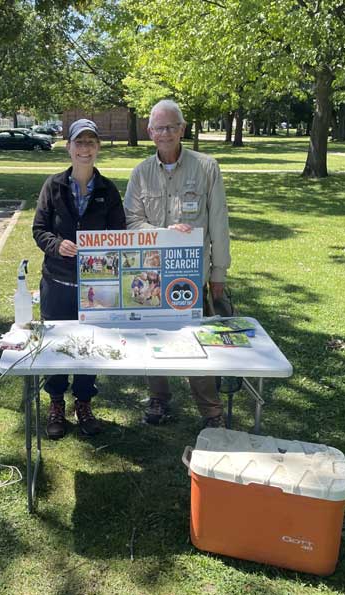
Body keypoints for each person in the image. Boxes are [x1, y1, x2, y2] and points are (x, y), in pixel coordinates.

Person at [124, 99, 232, 429]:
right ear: (149, 131)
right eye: (159, 128)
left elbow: (218, 223)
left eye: (172, 127)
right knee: (153, 339)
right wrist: (163, 233)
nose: (165, 133)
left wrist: (218, 274)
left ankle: (211, 412)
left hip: (192, 278)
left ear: (182, 129)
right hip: (152, 276)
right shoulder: (140, 173)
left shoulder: (206, 167)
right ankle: (159, 399)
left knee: (197, 344)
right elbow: (131, 222)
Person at [32, 118, 126, 439]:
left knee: (90, 348)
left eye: (90, 143)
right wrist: (57, 245)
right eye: (79, 142)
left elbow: (119, 235)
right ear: (69, 147)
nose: (84, 149)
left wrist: (100, 249)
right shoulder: (53, 186)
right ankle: (56, 403)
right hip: (57, 285)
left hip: (96, 287)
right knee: (57, 347)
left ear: (97, 148)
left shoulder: (108, 190)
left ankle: (83, 403)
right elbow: (39, 229)